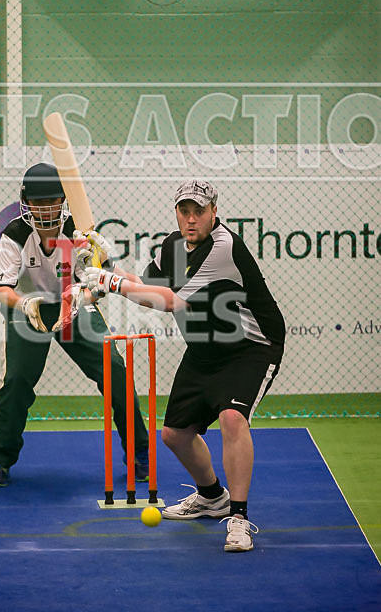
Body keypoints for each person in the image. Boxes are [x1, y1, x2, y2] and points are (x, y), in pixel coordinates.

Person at [80, 179, 285, 552]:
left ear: (214, 212)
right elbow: (145, 285)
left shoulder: (223, 247)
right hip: (205, 349)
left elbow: (170, 301)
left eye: (199, 211)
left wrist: (111, 282)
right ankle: (212, 497)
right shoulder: (173, 246)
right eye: (184, 211)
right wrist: (105, 270)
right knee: (175, 434)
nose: (191, 219)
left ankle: (238, 518)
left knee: (232, 419)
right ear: (177, 212)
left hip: (251, 348)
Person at [0, 162, 149, 487]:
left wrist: (87, 292)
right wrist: (25, 304)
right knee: (15, 382)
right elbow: (3, 290)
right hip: (28, 308)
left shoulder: (79, 231)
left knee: (115, 369)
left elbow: (101, 282)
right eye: (38, 202)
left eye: (51, 201)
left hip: (73, 303)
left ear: (63, 200)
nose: (45, 209)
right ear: (26, 203)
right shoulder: (15, 234)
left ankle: (140, 453)